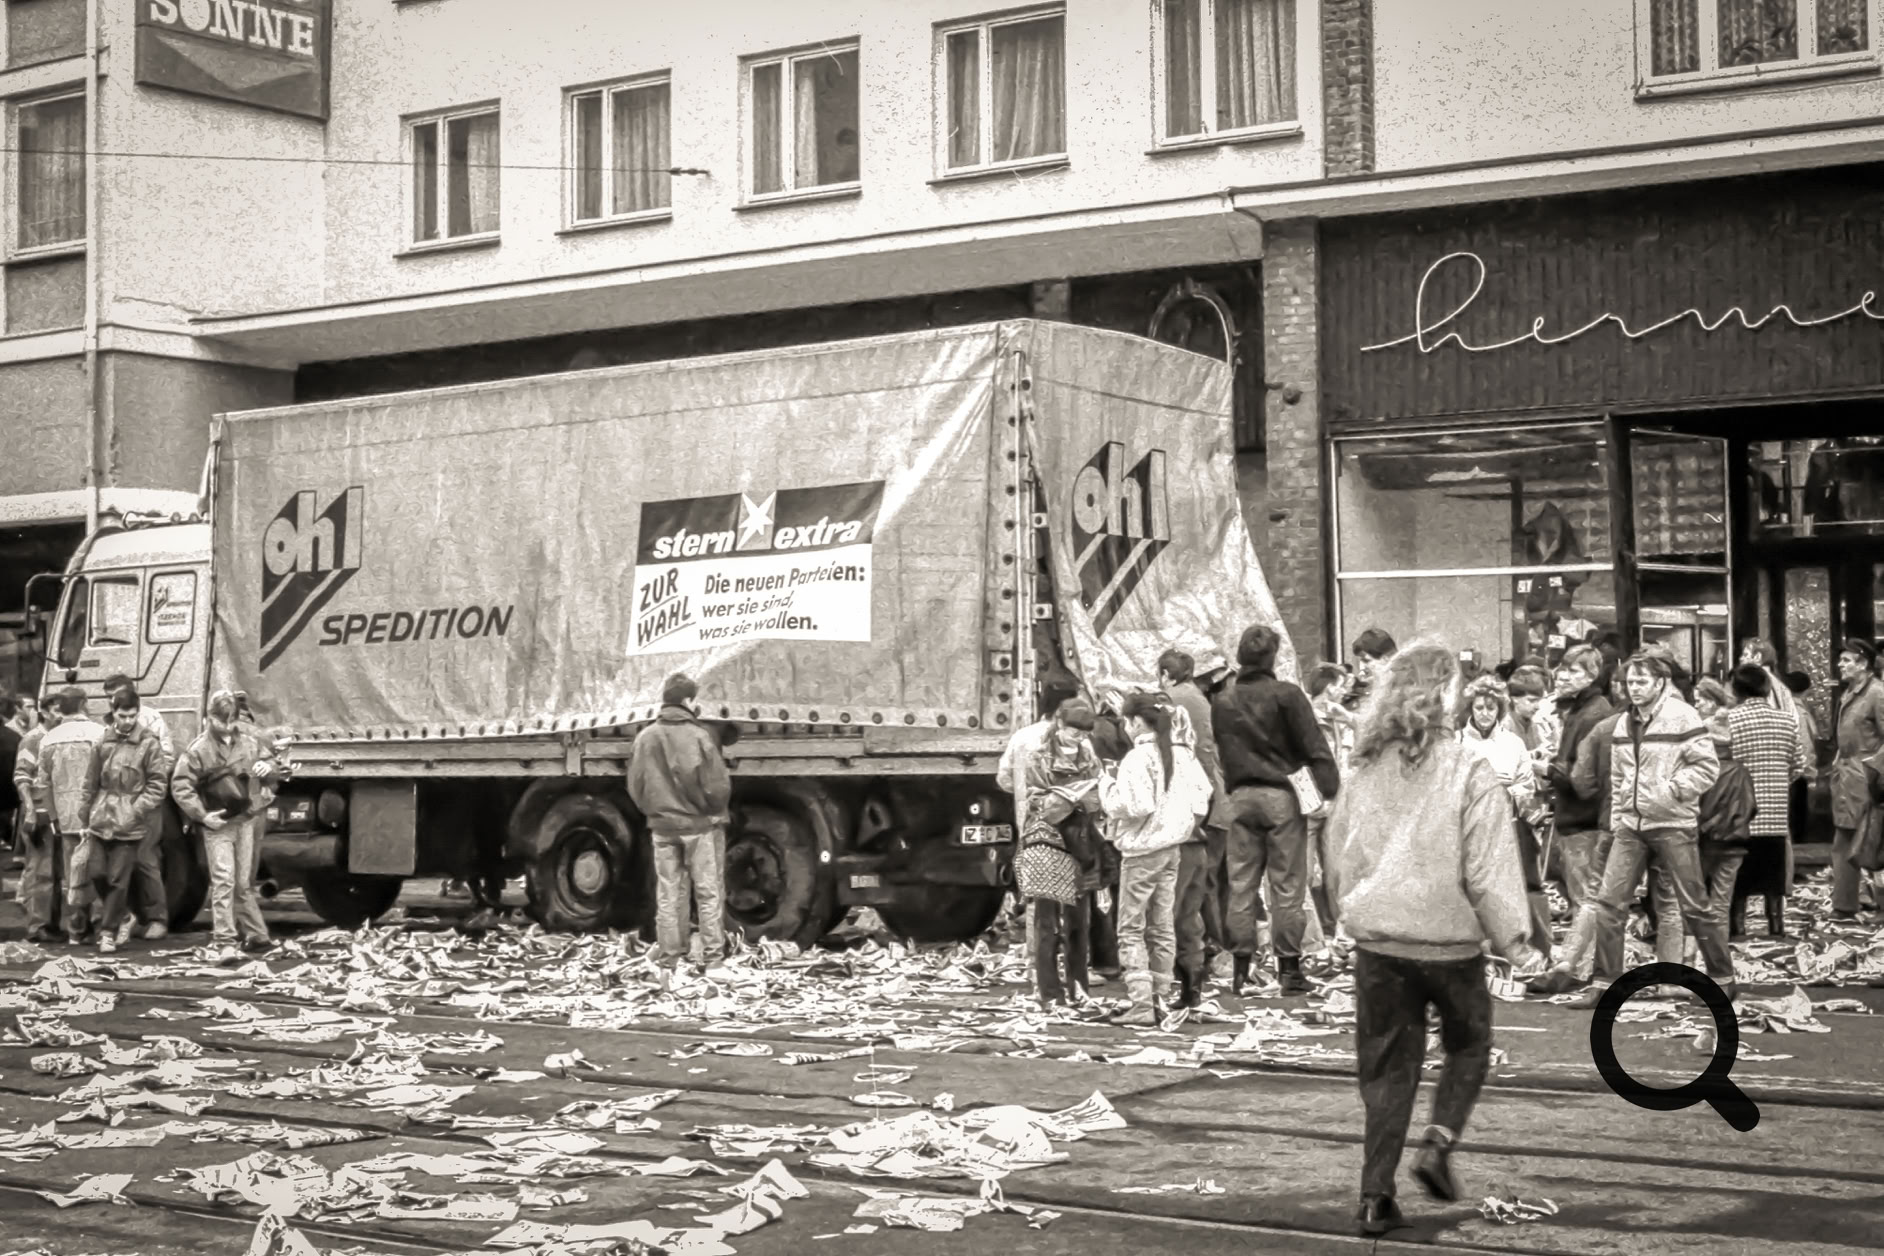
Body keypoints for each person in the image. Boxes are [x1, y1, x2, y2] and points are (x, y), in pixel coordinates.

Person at [1321, 641, 1541, 1237]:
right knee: (1469, 1044)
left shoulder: (1364, 765)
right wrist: (1517, 944)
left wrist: (1349, 909)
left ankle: (1374, 1194)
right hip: (1449, 942)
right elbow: (1489, 867)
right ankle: (1439, 1142)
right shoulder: (1468, 767)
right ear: (1449, 695)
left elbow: (1338, 851)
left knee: (1388, 1070)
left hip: (1379, 941)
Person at [1532, 651, 1732, 999]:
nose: (1634, 688)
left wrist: (1670, 791)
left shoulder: (1683, 717)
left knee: (1695, 904)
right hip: (1631, 825)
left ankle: (1723, 980)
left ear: (1660, 683)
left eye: (1642, 681)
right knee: (1609, 904)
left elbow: (1706, 767)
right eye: (1630, 681)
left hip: (1673, 823)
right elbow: (1622, 773)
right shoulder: (1625, 723)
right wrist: (1623, 812)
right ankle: (1603, 983)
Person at [1213, 624, 1340, 996]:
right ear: (1274, 656)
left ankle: (1240, 968)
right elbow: (1313, 746)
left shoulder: (1223, 701)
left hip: (1239, 796)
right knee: (1287, 887)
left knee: (1241, 885)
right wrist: (1329, 788)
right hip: (1282, 796)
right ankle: (1289, 969)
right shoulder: (1287, 695)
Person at [1101, 691, 1212, 1027]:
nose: (1124, 726)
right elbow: (1203, 799)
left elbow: (1134, 806)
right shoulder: (1183, 753)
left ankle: (1140, 1003)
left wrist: (1106, 787)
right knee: (1162, 927)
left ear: (1136, 721)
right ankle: (1160, 998)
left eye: (1126, 720)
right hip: (1173, 849)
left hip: (1141, 852)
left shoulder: (1137, 759)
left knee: (1131, 929)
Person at [626, 673, 735, 980]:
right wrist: (711, 811)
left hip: (662, 828)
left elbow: (635, 786)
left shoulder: (645, 738)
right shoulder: (700, 737)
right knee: (708, 892)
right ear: (688, 701)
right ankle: (713, 962)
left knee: (669, 893)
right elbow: (717, 788)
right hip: (699, 827)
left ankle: (670, 961)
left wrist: (654, 811)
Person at [171, 689, 281, 957]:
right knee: (224, 881)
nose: (227, 727)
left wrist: (270, 768)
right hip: (217, 824)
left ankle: (256, 936)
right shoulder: (199, 749)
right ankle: (225, 941)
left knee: (242, 882)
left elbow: (272, 764)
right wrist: (202, 815)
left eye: (232, 722)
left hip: (245, 820)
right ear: (211, 717)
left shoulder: (248, 743)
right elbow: (181, 785)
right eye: (222, 722)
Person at [1014, 698, 1104, 1010]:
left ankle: (1079, 986)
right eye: (1074, 733)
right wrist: (1069, 799)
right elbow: (1038, 802)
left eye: (1083, 735)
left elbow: (1098, 795)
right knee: (1046, 921)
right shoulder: (1038, 756)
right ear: (1060, 726)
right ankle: (1050, 991)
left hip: (1080, 841)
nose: (1078, 739)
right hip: (1047, 843)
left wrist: (1085, 799)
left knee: (1079, 920)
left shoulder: (1089, 756)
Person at [1458, 677, 1553, 957]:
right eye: (1479, 708)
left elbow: (1527, 783)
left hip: (1512, 825)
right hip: (1470, 826)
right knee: (1474, 887)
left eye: (1490, 708)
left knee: (1527, 884)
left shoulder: (1513, 743)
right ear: (1470, 710)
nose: (1485, 713)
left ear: (1499, 709)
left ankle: (1536, 949)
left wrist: (1509, 791)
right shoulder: (1458, 742)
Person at [75, 688, 168, 954]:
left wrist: (135, 809)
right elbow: (89, 781)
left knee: (118, 879)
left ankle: (108, 932)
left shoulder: (148, 743)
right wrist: (85, 816)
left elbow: (158, 783)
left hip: (129, 824)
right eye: (122, 715)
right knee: (97, 874)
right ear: (113, 713)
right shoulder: (102, 741)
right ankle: (124, 916)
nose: (127, 720)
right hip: (100, 819)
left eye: (132, 715)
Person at [1159, 650, 1231, 987]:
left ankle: (1202, 953)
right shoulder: (1200, 700)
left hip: (1194, 812)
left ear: (1164, 675)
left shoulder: (1170, 701)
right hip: (1215, 803)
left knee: (1187, 890)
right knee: (1206, 884)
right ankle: (1207, 955)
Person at [1725, 665, 1808, 938]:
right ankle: (1776, 926)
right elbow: (1798, 765)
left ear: (1737, 690)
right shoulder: (1786, 720)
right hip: (1775, 813)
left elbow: (1724, 764)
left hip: (1740, 812)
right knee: (1774, 878)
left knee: (1739, 879)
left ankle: (1737, 928)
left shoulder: (1731, 720)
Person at [101, 673, 174, 940]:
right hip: (115, 805)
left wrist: (144, 798)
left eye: (118, 694)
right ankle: (128, 915)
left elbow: (166, 757)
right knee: (116, 864)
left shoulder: (150, 720)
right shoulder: (107, 726)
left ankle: (157, 919)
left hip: (144, 804)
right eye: (110, 697)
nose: (114, 701)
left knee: (145, 858)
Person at [1547, 646, 1614, 925]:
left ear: (1591, 675)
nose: (1564, 676)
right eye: (1563, 669)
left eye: (1573, 671)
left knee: (1586, 901)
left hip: (1582, 819)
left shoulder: (1591, 715)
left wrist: (1549, 770)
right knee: (1587, 899)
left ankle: (1591, 966)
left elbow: (1584, 778)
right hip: (1582, 818)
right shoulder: (1584, 710)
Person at [34, 689, 105, 945]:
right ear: (84, 704)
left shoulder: (49, 739)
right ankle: (100, 928)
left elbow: (42, 783)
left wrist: (53, 816)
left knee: (71, 875)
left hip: (65, 818)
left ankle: (76, 929)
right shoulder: (99, 734)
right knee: (98, 871)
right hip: (97, 816)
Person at [1828, 639, 1884, 920]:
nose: (1841, 664)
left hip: (1869, 781)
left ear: (1863, 664)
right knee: (1845, 841)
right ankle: (1845, 904)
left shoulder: (1877, 693)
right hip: (1847, 779)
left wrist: (1876, 773)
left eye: (1847, 660)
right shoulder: (1850, 693)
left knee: (1874, 842)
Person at [1305, 663, 1354, 938]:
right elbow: (1296, 767)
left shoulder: (1340, 720)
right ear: (1327, 687)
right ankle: (1312, 939)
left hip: (1337, 808)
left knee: (1336, 873)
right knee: (1306, 873)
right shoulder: (1304, 719)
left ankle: (1339, 933)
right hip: (1310, 808)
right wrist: (1310, 801)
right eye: (1339, 685)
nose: (1343, 691)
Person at [12, 701, 63, 942]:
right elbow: (21, 776)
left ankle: (50, 925)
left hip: (52, 814)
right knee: (41, 872)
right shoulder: (33, 740)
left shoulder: (57, 737)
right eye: (56, 710)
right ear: (44, 712)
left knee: (53, 872)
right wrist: (30, 811)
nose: (60, 715)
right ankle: (38, 927)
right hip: (38, 813)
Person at [1347, 628, 1398, 712]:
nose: (1363, 667)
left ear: (1385, 659)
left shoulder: (1401, 688)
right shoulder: (1371, 684)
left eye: (1367, 661)